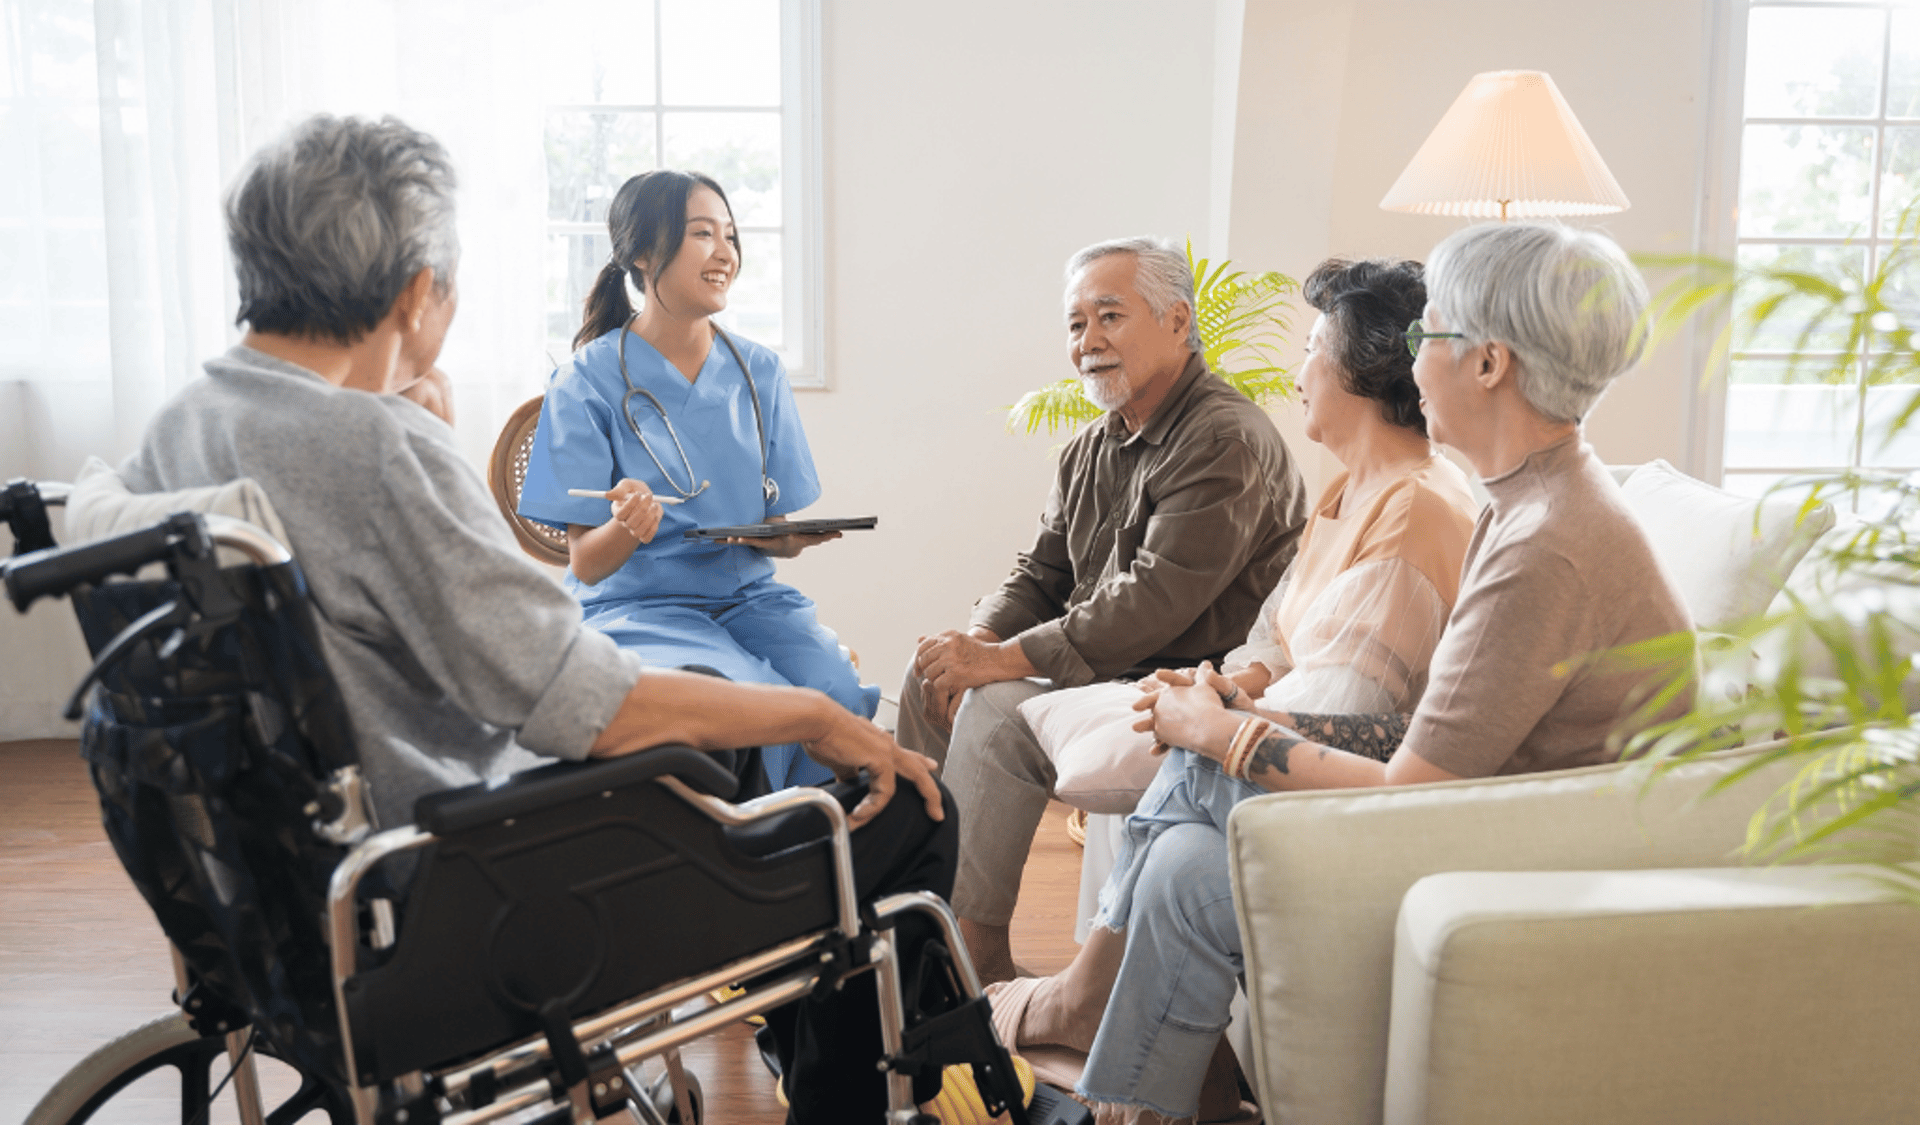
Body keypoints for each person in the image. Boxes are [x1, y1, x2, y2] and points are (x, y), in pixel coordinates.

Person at [115, 114, 952, 1123]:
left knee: (756, 748)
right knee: (906, 806)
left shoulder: (173, 434)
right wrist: (816, 717)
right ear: (417, 290)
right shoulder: (376, 448)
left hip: (281, 892)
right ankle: (871, 1083)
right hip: (476, 885)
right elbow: (585, 702)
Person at [1002, 223, 1698, 1125]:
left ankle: (1088, 1020)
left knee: (1199, 765)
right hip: (1497, 821)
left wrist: (1226, 732)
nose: (1409, 364)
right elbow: (1424, 745)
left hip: (1519, 861)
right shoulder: (1530, 497)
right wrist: (1235, 721)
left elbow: (1411, 795)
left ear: (1489, 363)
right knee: (1180, 862)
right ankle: (1141, 1103)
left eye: (1426, 335)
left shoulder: (1546, 544)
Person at [988, 256, 1478, 1121]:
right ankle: (1170, 1095)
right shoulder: (1352, 489)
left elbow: (1349, 714)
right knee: (1179, 851)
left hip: (1353, 797)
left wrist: (1216, 716)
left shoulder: (1416, 509)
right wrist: (1230, 681)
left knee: (1189, 762)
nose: (1299, 370)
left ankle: (1083, 996)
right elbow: (1276, 635)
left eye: (1314, 348)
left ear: (1362, 371)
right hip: (1298, 741)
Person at [901, 237, 1309, 983]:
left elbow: (1151, 602)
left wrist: (996, 663)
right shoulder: (1090, 446)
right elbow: (1041, 572)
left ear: (1178, 321)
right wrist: (978, 639)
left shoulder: (1224, 438)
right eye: (1075, 323)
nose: (1087, 341)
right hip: (1106, 667)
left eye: (1109, 316)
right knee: (929, 671)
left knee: (995, 707)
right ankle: (914, 919)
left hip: (1182, 684)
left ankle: (972, 963)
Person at [516, 169, 870, 791]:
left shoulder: (758, 371)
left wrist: (787, 538)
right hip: (640, 609)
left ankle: (822, 837)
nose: (725, 252)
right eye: (702, 234)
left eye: (730, 234)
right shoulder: (585, 381)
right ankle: (749, 838)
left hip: (750, 601)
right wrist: (628, 527)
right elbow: (588, 565)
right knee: (740, 703)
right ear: (643, 253)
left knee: (835, 692)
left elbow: (777, 526)